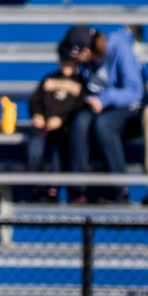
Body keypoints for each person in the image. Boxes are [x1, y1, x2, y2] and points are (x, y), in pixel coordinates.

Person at [73, 23, 147, 202]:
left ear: (86, 52)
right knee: (80, 121)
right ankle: (78, 191)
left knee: (104, 125)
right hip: (103, 108)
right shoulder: (87, 63)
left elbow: (135, 91)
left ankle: (119, 190)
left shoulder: (120, 49)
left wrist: (105, 99)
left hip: (130, 110)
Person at [25, 29, 90, 185]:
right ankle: (36, 186)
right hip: (43, 127)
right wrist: (36, 115)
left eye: (69, 60)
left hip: (64, 129)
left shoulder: (81, 82)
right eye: (63, 59)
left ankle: (54, 187)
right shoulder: (49, 79)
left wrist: (62, 120)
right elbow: (35, 100)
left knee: (58, 151)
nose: (66, 63)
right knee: (34, 149)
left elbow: (80, 106)